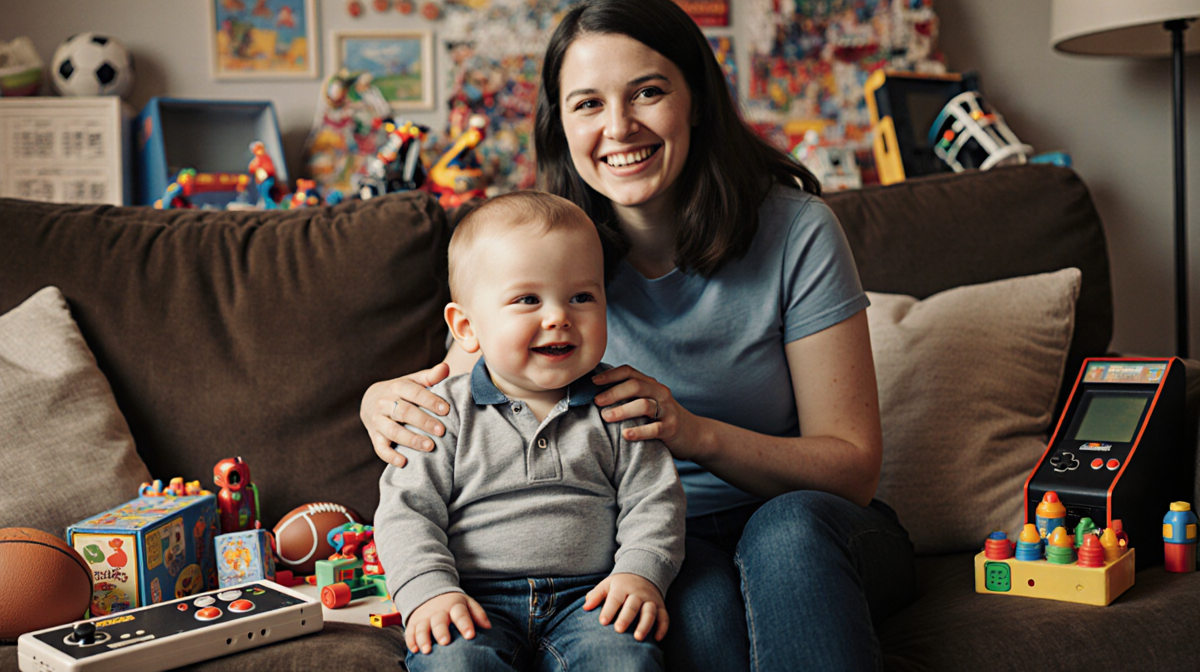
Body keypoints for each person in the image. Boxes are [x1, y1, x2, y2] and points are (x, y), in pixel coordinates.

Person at [361, 0, 917, 669]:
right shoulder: (549, 249)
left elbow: (853, 471)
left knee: (784, 534)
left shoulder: (798, 230)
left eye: (648, 92)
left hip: (813, 522)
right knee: (696, 620)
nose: (619, 127)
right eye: (587, 104)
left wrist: (694, 431)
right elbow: (463, 376)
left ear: (697, 101)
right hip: (659, 537)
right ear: (561, 125)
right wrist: (378, 403)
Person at [373, 191, 687, 672]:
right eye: (527, 299)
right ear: (466, 326)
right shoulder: (442, 412)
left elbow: (656, 501)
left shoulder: (619, 403)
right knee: (454, 663)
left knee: (623, 660)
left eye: (582, 297)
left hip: (591, 597)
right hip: (473, 598)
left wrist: (639, 574)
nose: (558, 316)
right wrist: (428, 593)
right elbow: (406, 514)